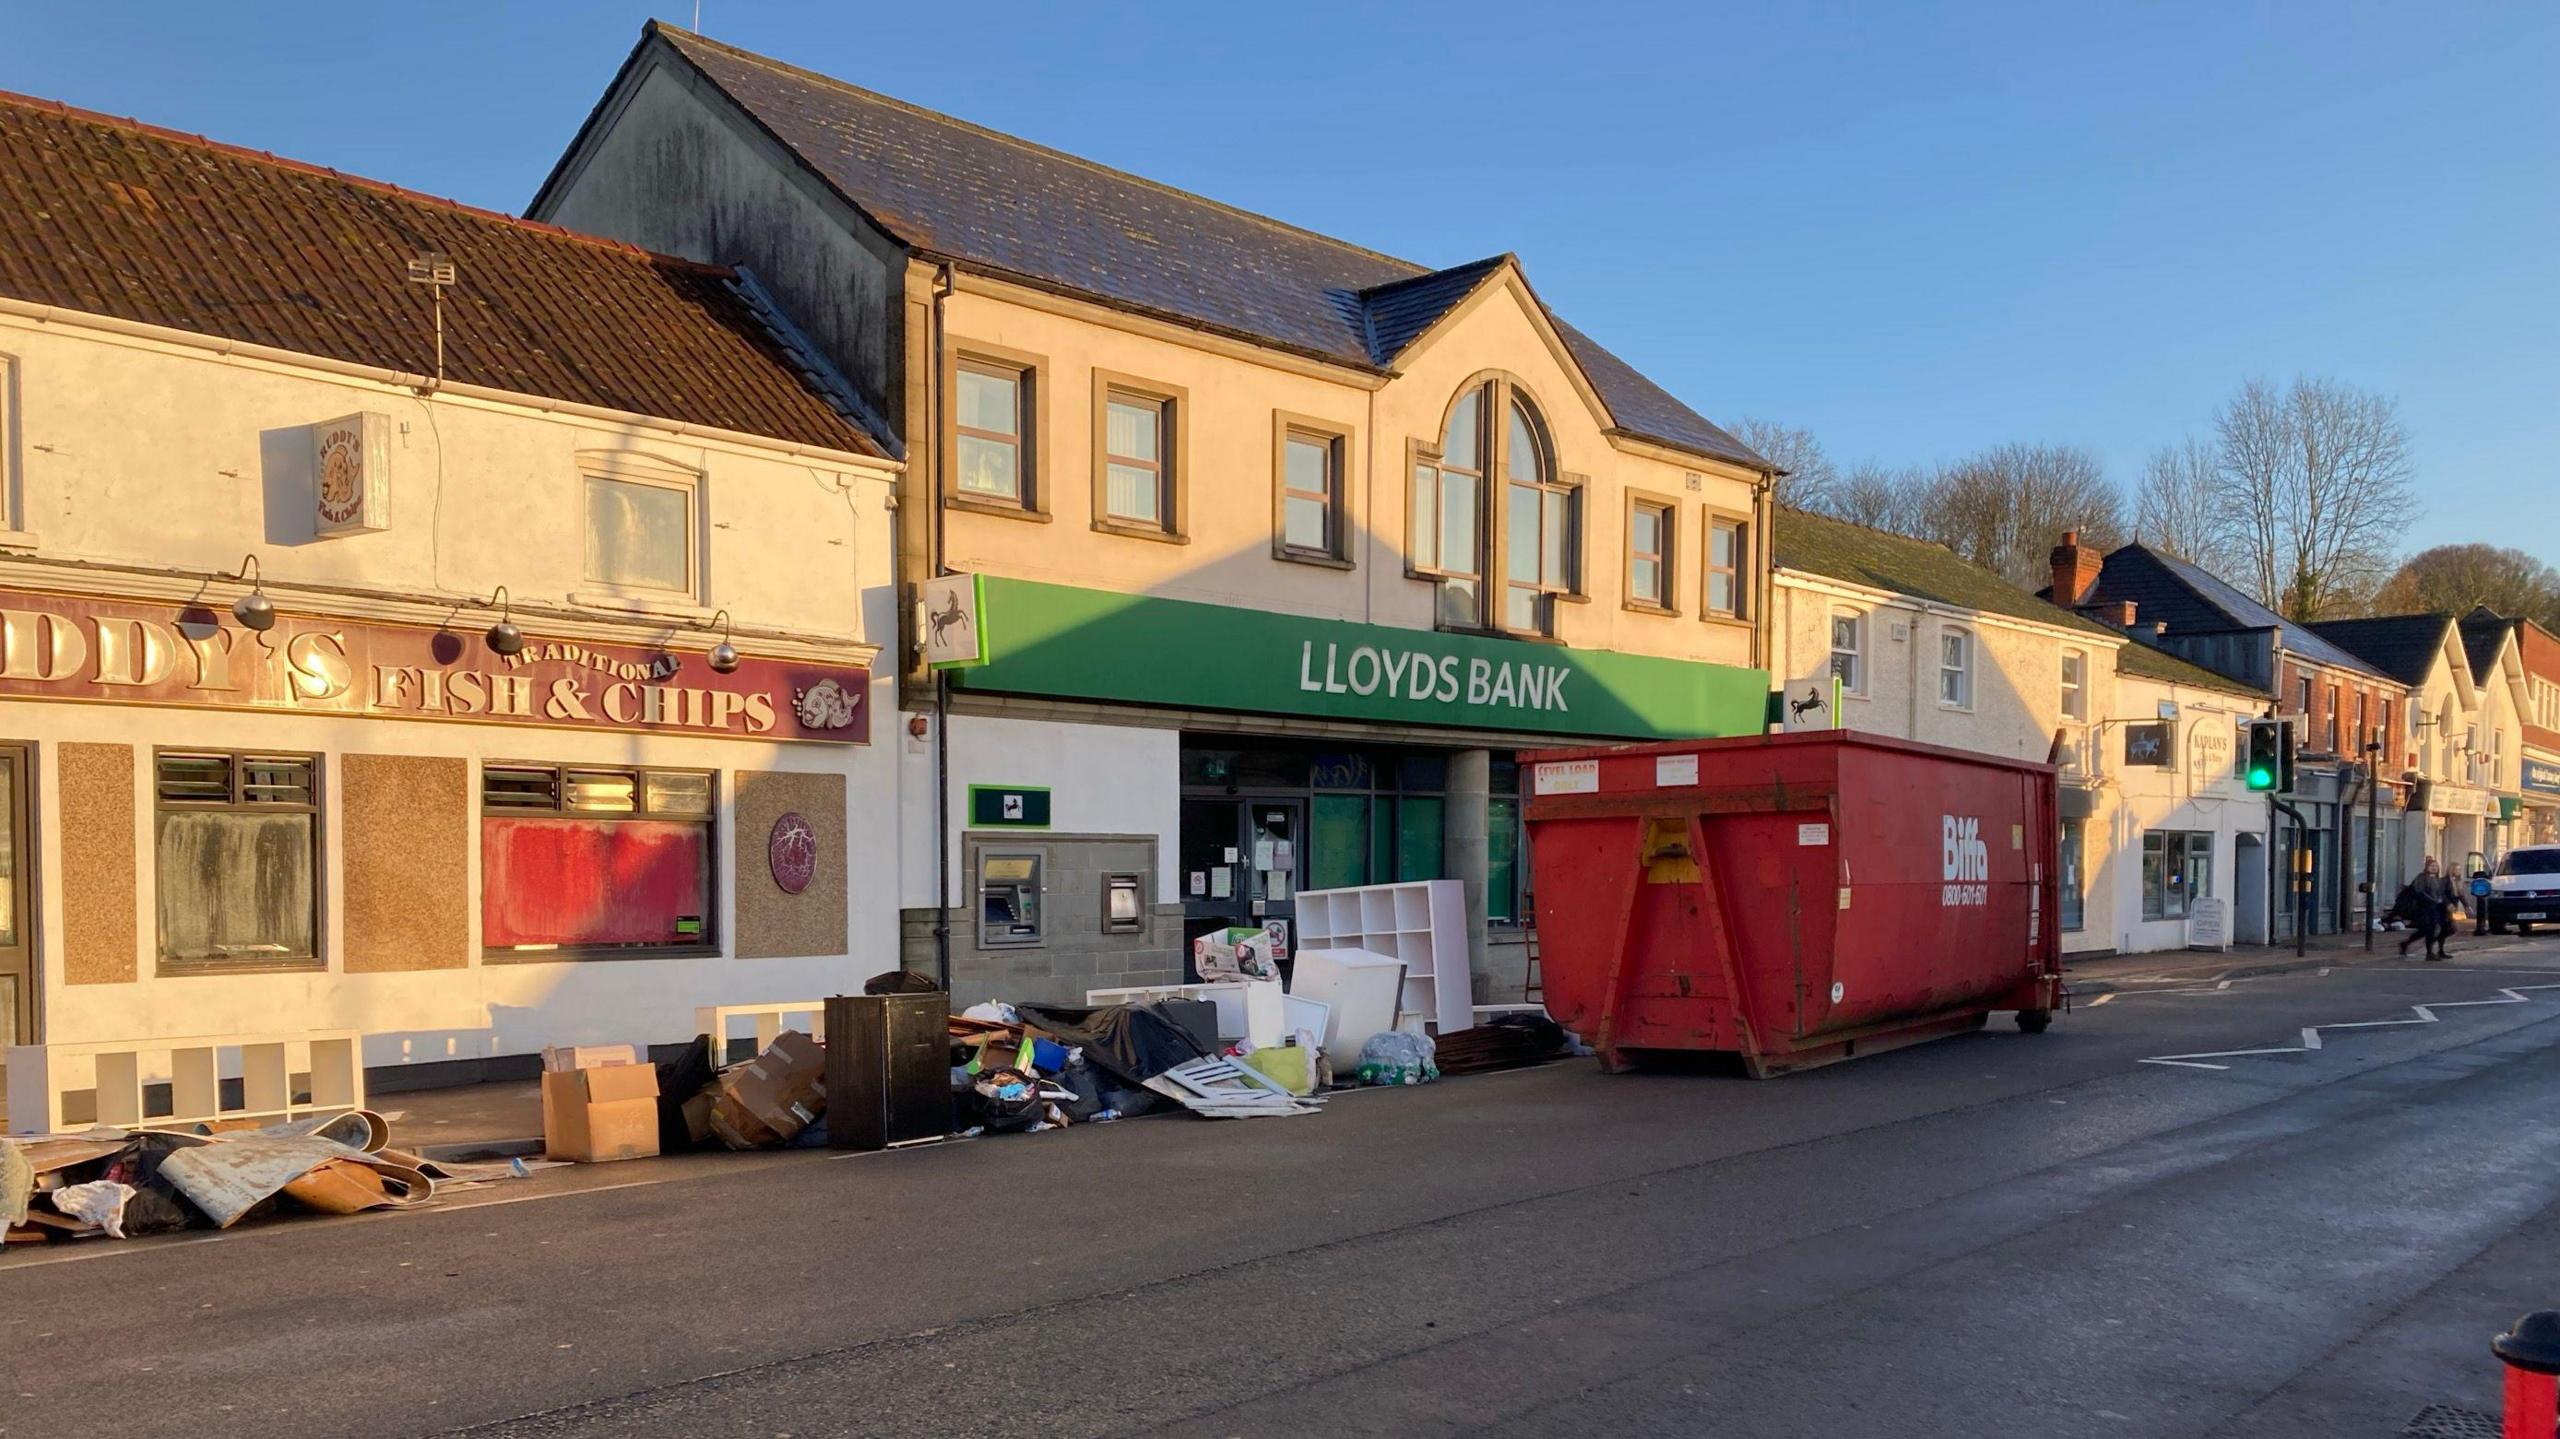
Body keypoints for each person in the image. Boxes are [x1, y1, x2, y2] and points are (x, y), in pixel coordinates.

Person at [2397, 856, 2457, 960]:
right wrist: (2432, 900)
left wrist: (2447, 904)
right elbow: (2419, 892)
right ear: (2427, 867)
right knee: (2427, 930)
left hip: (2437, 908)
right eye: (2432, 866)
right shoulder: (2422, 878)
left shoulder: (2438, 880)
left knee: (2438, 929)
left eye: (2436, 866)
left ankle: (2432, 950)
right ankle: (2428, 952)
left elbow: (2442, 895)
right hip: (2424, 909)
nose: (2434, 868)